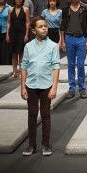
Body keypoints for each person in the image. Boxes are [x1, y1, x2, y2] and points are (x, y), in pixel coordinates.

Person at [20, 16, 60, 157]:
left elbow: (56, 67)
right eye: (40, 26)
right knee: (31, 115)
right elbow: (24, 66)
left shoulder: (53, 46)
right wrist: (23, 86)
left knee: (45, 115)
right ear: (33, 30)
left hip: (46, 85)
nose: (44, 28)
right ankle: (31, 145)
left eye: (45, 26)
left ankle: (45, 144)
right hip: (31, 84)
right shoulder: (28, 46)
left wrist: (54, 87)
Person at [60, 0, 87, 99]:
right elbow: (62, 26)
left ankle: (82, 89)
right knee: (71, 65)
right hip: (69, 38)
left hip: (81, 39)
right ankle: (72, 89)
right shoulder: (65, 9)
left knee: (81, 65)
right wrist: (62, 41)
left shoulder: (85, 8)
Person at [7, 0, 30, 78]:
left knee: (21, 53)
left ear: (22, 0)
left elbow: (28, 22)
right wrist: (7, 34)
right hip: (12, 33)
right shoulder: (10, 9)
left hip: (22, 33)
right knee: (13, 53)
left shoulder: (26, 9)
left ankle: (21, 71)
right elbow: (8, 22)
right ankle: (14, 72)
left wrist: (26, 34)